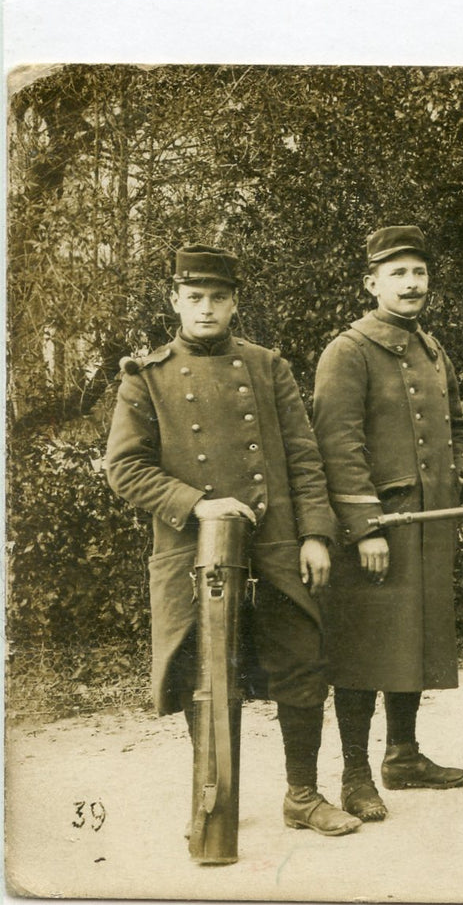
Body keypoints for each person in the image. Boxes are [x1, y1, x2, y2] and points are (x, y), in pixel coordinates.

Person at [106, 243, 360, 837]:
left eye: (218, 298)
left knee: (301, 664)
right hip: (193, 553)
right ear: (175, 300)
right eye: (194, 298)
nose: (206, 308)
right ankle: (213, 801)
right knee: (207, 678)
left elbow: (303, 456)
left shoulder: (268, 366)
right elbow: (126, 469)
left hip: (274, 545)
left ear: (235, 302)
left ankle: (302, 794)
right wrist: (198, 503)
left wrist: (316, 533)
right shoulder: (147, 378)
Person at [311, 226, 463, 823]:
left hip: (430, 524)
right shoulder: (348, 351)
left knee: (416, 637)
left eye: (420, 273)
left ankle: (403, 755)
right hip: (377, 530)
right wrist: (365, 526)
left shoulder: (432, 348)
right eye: (398, 273)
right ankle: (355, 774)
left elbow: (458, 423)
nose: (411, 284)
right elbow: (337, 444)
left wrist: (462, 472)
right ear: (371, 283)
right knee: (363, 648)